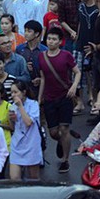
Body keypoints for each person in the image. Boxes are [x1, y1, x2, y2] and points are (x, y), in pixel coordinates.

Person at [38, 28, 81, 173]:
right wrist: (40, 98)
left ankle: (65, 160)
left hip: (65, 96)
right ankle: (62, 141)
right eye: (49, 38)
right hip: (49, 98)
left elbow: (77, 72)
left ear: (60, 41)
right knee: (53, 132)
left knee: (64, 128)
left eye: (54, 39)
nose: (51, 41)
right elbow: (43, 78)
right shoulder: (41, 56)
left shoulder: (66, 55)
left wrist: (74, 86)